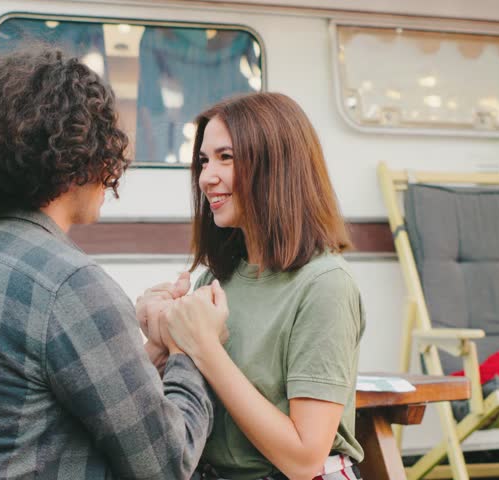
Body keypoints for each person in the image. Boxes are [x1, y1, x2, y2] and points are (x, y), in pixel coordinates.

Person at [0, 45, 215, 480]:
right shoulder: (71, 284)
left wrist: (156, 353)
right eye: (106, 148)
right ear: (79, 158)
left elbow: (46, 397)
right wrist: (189, 349)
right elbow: (166, 464)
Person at [138, 92, 366, 480]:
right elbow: (145, 411)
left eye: (226, 158)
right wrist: (160, 343)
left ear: (277, 165)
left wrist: (204, 347)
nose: (207, 176)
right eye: (204, 160)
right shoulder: (217, 279)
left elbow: (304, 459)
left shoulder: (325, 285)